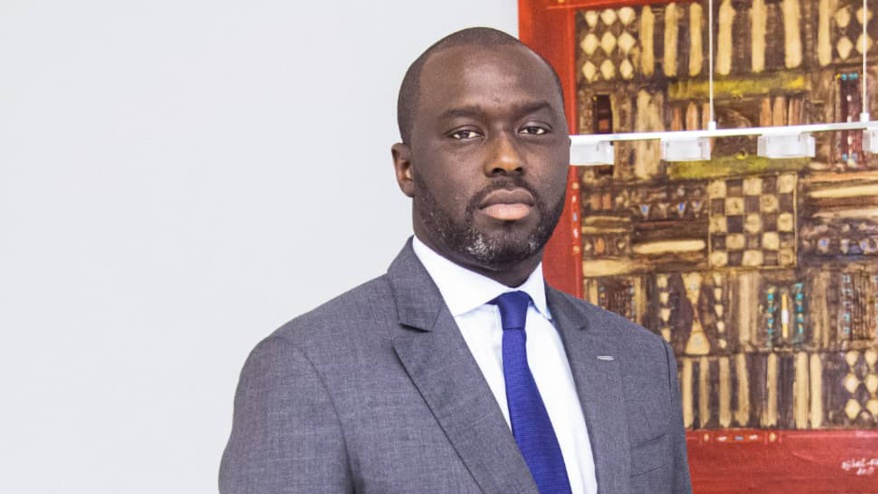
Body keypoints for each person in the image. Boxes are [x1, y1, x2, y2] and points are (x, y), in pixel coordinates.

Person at [219, 27, 692, 494]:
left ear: (566, 151)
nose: (507, 158)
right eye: (465, 133)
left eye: (534, 130)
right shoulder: (307, 368)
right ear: (406, 168)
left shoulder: (639, 358)